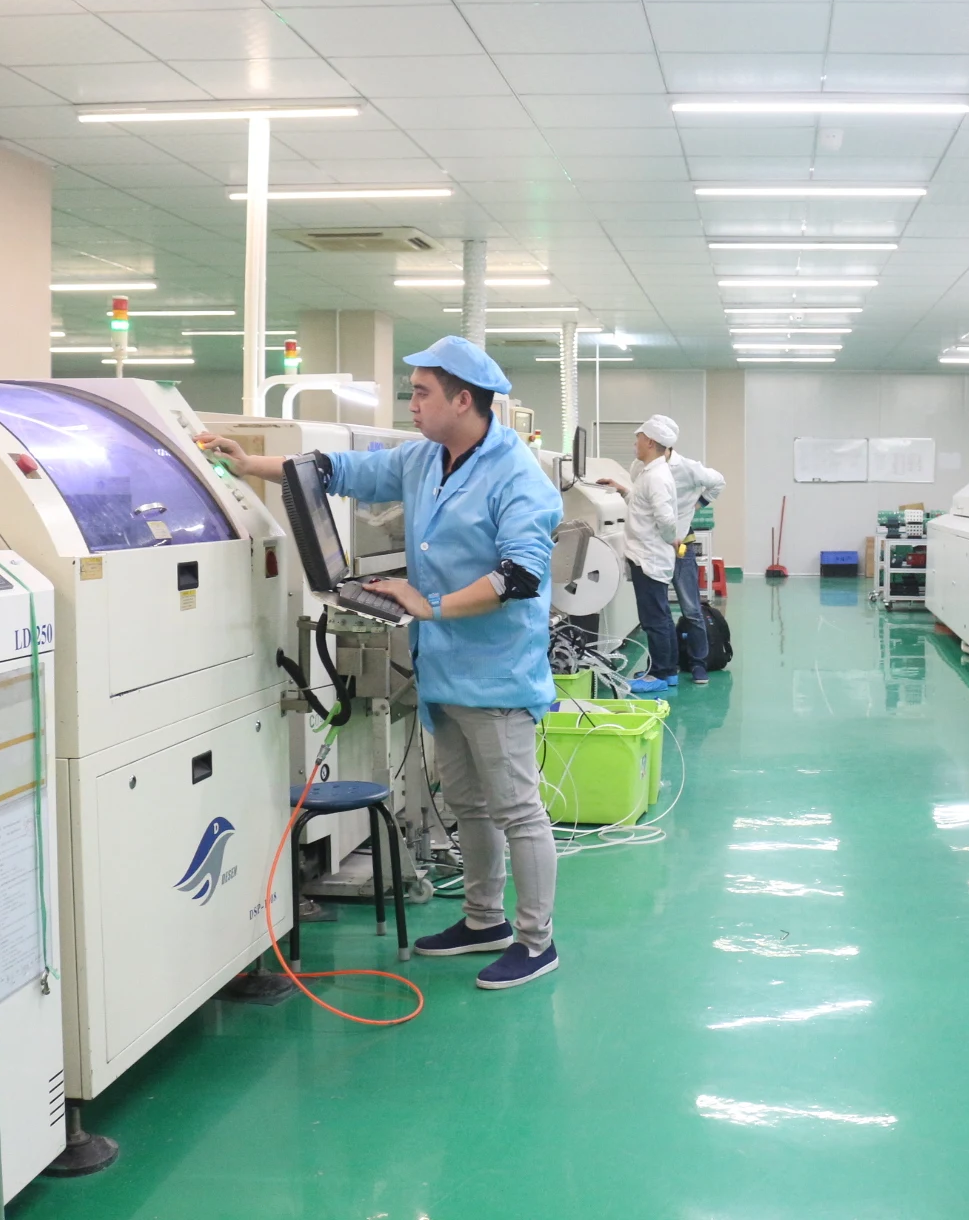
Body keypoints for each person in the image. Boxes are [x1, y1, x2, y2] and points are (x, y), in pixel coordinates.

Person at [199, 336, 566, 990]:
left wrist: (430, 605)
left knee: (516, 809)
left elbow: (520, 577)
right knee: (468, 803)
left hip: (497, 671)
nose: (411, 403)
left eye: (421, 392)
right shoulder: (425, 458)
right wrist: (250, 462)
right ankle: (484, 920)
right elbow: (336, 471)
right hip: (444, 667)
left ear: (463, 399)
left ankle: (537, 942)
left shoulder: (517, 476)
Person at [597, 416, 686, 694]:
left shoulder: (656, 477)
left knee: (654, 619)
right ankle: (667, 671)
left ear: (649, 441)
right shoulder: (651, 474)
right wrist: (623, 490)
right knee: (660, 616)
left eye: (638, 438)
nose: (635, 443)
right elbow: (643, 505)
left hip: (649, 558)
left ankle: (658, 674)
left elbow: (666, 519)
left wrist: (671, 539)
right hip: (648, 556)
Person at [657, 420, 724, 685]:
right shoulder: (642, 468)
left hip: (681, 546)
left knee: (691, 607)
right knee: (660, 611)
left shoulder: (687, 467)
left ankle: (698, 663)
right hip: (654, 546)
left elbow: (718, 482)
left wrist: (697, 505)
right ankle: (668, 664)